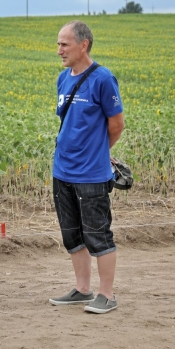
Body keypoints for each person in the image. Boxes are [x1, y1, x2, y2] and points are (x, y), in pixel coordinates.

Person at [49, 21, 125, 314]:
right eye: (58, 44)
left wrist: (99, 152)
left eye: (64, 44)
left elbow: (116, 124)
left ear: (84, 45)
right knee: (71, 234)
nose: (59, 51)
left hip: (92, 173)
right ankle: (82, 290)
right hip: (62, 170)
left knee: (98, 234)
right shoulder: (62, 78)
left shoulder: (103, 79)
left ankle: (107, 294)